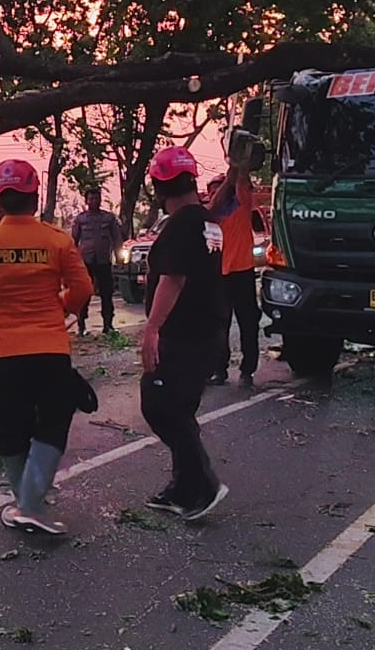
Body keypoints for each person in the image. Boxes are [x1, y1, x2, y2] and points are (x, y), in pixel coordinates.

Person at [0, 159, 93, 534]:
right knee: (52, 424)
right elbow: (83, 290)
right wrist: (60, 309)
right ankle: (30, 505)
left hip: (1, 352)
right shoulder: (57, 240)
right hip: (50, 349)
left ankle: (27, 503)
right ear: (35, 197)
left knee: (11, 428)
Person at [140, 146, 229, 521]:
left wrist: (152, 330)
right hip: (208, 331)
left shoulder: (181, 224)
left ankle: (204, 484)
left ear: (160, 188)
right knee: (181, 408)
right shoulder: (207, 221)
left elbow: (173, 280)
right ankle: (181, 487)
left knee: (160, 405)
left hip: (182, 333)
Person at [205, 163, 260, 387]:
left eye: (218, 188)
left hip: (243, 271)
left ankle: (248, 370)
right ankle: (219, 369)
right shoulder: (212, 213)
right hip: (220, 275)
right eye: (211, 189)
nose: (214, 193)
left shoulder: (241, 204)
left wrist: (238, 164)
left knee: (248, 324)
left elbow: (241, 181)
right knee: (219, 325)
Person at [71, 188, 122, 335]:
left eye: (96, 198)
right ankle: (81, 326)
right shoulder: (80, 219)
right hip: (85, 261)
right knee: (85, 293)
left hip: (103, 261)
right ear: (86, 201)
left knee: (107, 293)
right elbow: (73, 241)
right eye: (91, 198)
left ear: (100, 200)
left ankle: (108, 325)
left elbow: (117, 238)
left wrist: (119, 257)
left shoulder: (109, 218)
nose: (94, 201)